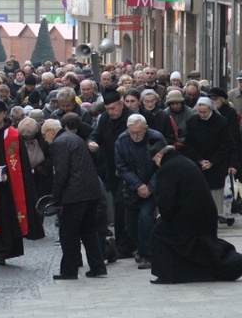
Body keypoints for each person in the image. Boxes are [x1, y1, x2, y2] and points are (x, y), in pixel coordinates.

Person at [150, 144, 242, 284]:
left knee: (162, 232)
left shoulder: (168, 168)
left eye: (154, 160)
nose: (155, 163)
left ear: (159, 156)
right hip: (201, 214)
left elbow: (166, 199)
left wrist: (163, 214)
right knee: (205, 248)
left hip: (191, 217)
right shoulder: (181, 161)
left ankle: (167, 274)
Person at [0, 99, 44, 266]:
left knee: (6, 218)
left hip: (8, 186)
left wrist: (8, 174)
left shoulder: (14, 134)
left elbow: (21, 162)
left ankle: (4, 251)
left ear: (4, 114)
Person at [42, 119, 106, 280]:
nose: (44, 138)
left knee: (68, 233)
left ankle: (69, 270)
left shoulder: (59, 143)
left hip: (75, 194)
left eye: (44, 134)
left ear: (51, 131)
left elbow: (61, 173)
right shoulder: (73, 138)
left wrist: (56, 198)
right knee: (88, 231)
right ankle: (98, 267)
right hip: (91, 191)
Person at [87, 84, 136, 258]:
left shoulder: (132, 119)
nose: (111, 112)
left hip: (130, 170)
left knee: (124, 207)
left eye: (114, 108)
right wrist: (92, 143)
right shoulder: (105, 119)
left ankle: (126, 246)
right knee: (118, 206)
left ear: (121, 104)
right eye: (108, 109)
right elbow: (96, 135)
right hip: (111, 170)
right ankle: (123, 243)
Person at [114, 114, 165, 270]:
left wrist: (149, 186)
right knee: (130, 225)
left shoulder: (156, 138)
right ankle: (141, 248)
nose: (135, 136)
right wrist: (138, 185)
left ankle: (148, 255)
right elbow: (121, 166)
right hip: (132, 188)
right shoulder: (122, 140)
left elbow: (163, 164)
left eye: (139, 132)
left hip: (152, 188)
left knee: (145, 218)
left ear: (146, 129)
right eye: (132, 132)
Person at [183, 98, 236, 225]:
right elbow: (189, 145)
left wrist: (212, 161)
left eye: (204, 112)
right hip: (198, 163)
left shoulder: (221, 122)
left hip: (216, 164)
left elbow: (225, 144)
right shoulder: (192, 122)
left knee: (215, 193)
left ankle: (216, 216)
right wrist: (200, 160)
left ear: (211, 109)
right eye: (199, 112)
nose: (201, 115)